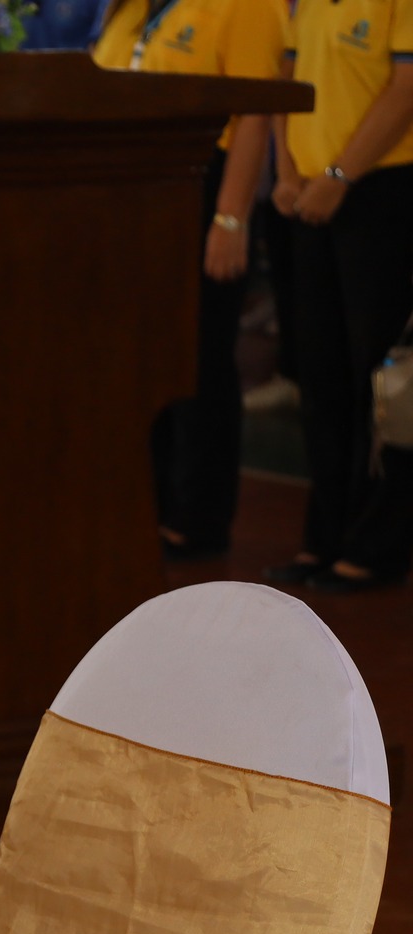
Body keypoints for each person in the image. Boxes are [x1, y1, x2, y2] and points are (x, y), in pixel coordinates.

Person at [92, 0, 283, 561]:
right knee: (137, 359)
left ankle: (197, 515)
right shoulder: (126, 9)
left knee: (196, 355)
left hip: (199, 184)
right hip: (129, 188)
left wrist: (231, 216)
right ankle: (145, 501)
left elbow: (255, 109)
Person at [272, 0, 413, 589]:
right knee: (320, 376)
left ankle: (376, 545)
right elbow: (287, 75)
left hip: (380, 190)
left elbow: (407, 87)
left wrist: (339, 177)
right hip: (305, 194)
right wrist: (286, 169)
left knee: (377, 382)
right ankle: (325, 537)